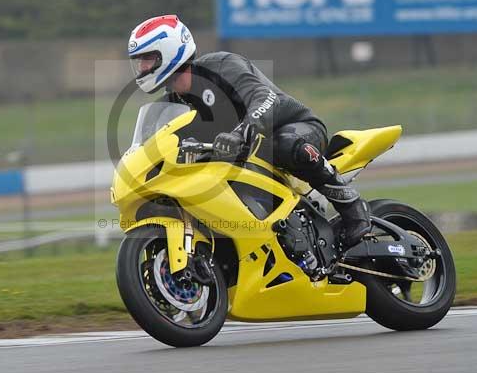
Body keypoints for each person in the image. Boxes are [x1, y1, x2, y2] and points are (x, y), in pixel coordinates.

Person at [128, 14, 371, 249]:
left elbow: (265, 98)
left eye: (147, 59)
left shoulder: (221, 66)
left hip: (296, 129)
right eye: (139, 61)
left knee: (285, 144)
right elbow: (155, 142)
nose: (141, 67)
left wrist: (240, 132)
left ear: (168, 52)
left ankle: (352, 207)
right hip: (246, 156)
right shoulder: (171, 104)